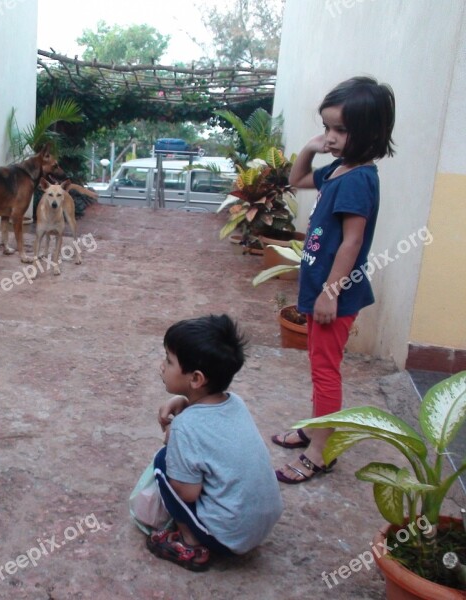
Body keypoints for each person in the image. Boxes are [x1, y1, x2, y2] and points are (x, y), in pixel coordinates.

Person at [272, 76, 396, 484]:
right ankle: (316, 426)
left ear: (371, 131)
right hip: (320, 291)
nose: (331, 136)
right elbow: (296, 180)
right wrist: (309, 147)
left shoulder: (359, 179)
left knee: (326, 371)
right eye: (327, 127)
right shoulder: (340, 170)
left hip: (334, 296)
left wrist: (329, 292)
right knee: (318, 365)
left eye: (340, 129)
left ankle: (321, 451)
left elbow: (352, 242)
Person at [146, 315, 283, 571]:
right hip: (262, 524)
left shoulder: (185, 428)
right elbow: (211, 427)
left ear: (196, 379)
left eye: (168, 360)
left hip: (228, 536)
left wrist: (174, 442)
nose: (162, 366)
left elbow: (187, 493)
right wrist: (184, 403)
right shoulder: (235, 402)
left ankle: (190, 542)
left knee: (161, 463)